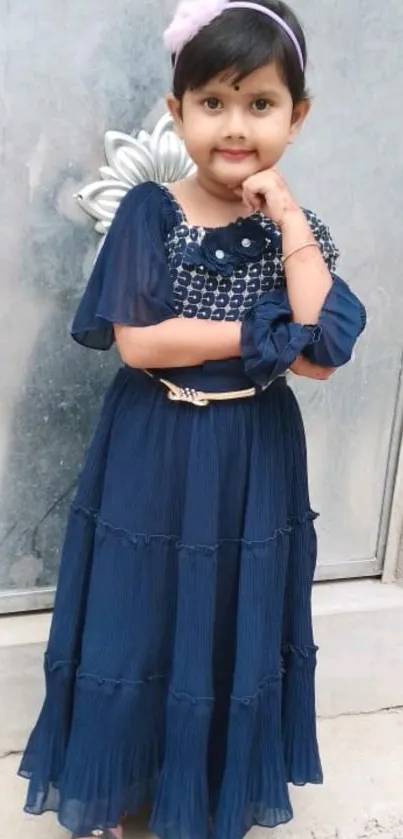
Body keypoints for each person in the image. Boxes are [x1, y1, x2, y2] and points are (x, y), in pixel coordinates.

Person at [19, 1, 366, 838]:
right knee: (140, 611)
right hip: (156, 445)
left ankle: (203, 783)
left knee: (227, 611)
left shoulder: (297, 231)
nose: (235, 125)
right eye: (212, 102)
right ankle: (119, 782)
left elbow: (319, 351)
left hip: (252, 452)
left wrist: (285, 216)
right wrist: (261, 334)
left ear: (297, 115)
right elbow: (142, 343)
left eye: (259, 103)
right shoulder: (150, 212)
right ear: (176, 110)